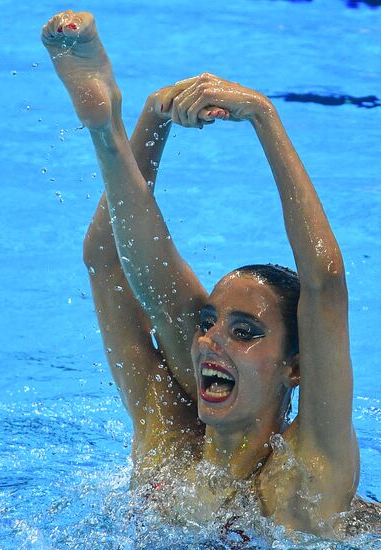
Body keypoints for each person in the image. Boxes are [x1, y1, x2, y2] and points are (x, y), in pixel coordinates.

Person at [41, 10, 375, 540]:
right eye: (209, 322)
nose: (210, 340)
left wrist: (264, 115)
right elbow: (107, 262)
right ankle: (106, 131)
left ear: (294, 367)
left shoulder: (305, 478)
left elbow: (325, 283)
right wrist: (137, 124)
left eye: (245, 332)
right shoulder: (166, 438)